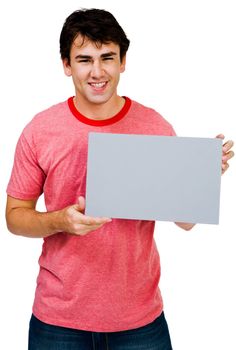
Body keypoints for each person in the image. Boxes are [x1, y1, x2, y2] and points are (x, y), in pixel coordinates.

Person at [6, 8, 234, 350]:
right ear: (66, 65)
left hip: (139, 320)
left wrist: (200, 177)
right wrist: (60, 221)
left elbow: (185, 222)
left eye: (107, 57)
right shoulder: (40, 130)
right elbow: (14, 217)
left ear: (123, 61)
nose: (97, 72)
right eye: (84, 59)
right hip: (58, 320)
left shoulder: (153, 126)